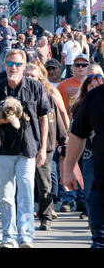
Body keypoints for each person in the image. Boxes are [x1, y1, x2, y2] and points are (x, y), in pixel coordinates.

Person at [0, 49, 50, 248]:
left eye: (18, 64)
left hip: (28, 149)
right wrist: (5, 119)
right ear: (5, 65)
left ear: (24, 66)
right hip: (2, 151)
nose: (14, 68)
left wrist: (43, 148)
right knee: (6, 197)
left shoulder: (35, 87)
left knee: (26, 194)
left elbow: (44, 118)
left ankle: (26, 237)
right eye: (10, 64)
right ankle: (8, 236)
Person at [24, 63, 68, 231]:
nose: (29, 78)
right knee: (25, 183)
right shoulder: (17, 95)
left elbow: (56, 120)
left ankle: (46, 216)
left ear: (39, 79)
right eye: (27, 75)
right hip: (24, 146)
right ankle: (24, 215)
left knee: (44, 183)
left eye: (33, 76)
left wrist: (64, 141)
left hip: (45, 147)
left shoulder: (48, 96)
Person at [63, 76, 104, 248]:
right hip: (101, 187)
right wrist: (68, 170)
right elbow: (77, 135)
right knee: (100, 241)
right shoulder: (95, 97)